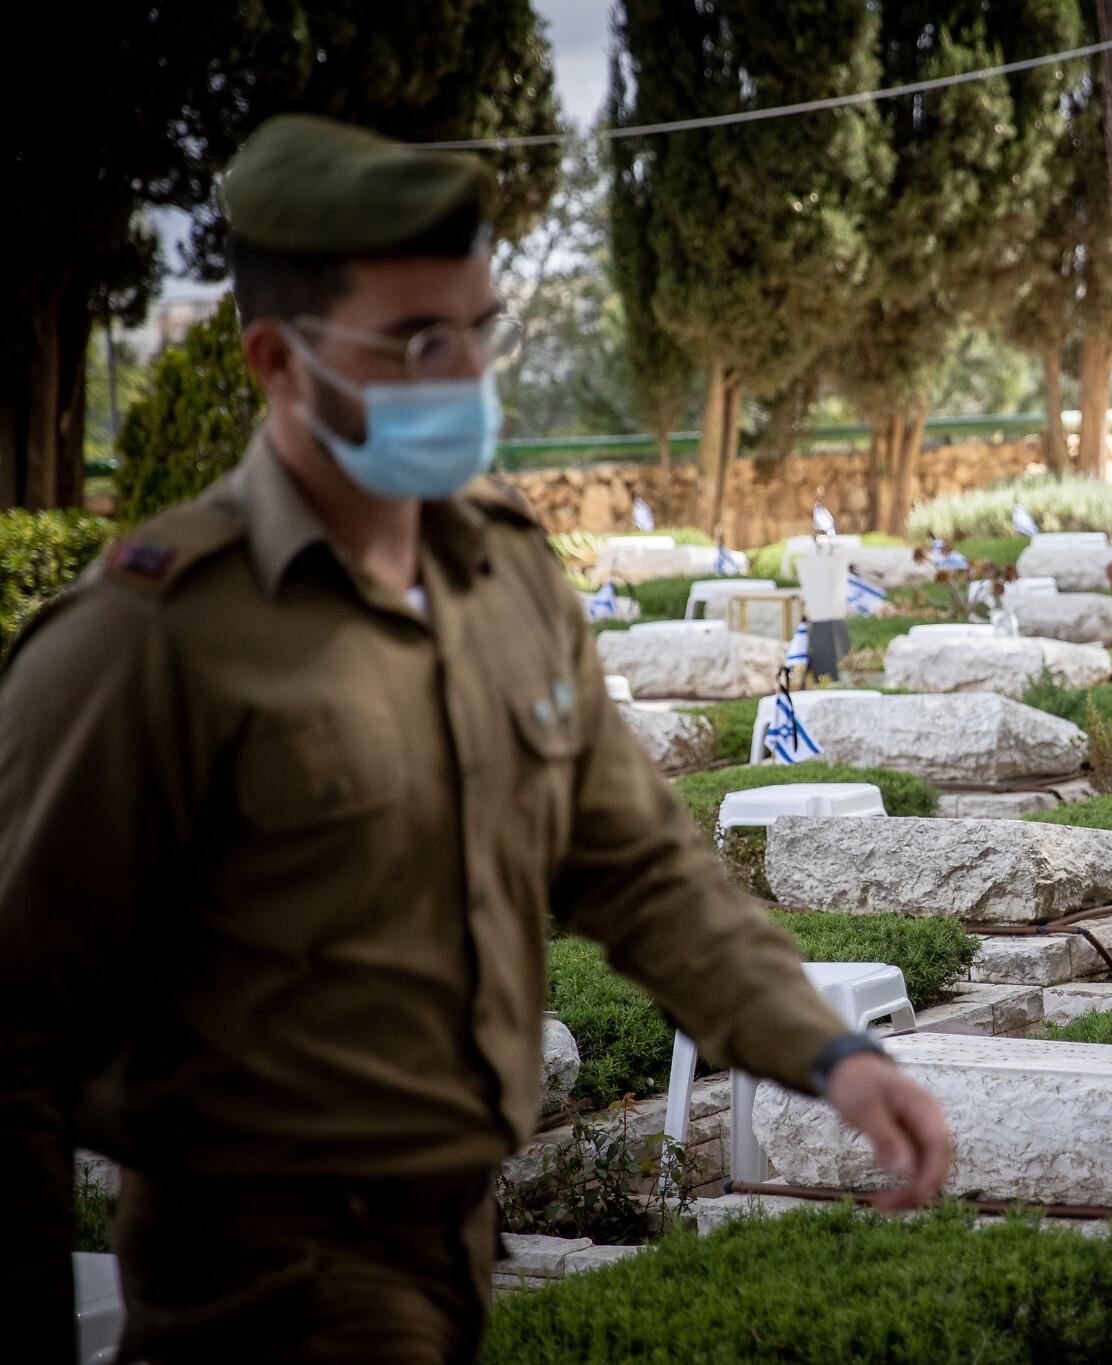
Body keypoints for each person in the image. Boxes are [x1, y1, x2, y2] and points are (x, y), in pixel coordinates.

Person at [0, 114, 950, 1365]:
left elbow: (634, 863)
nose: (459, 374)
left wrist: (822, 1051)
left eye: (475, 333)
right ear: (279, 360)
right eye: (411, 342)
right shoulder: (148, 641)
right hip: (262, 1281)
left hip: (458, 1246)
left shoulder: (500, 577)